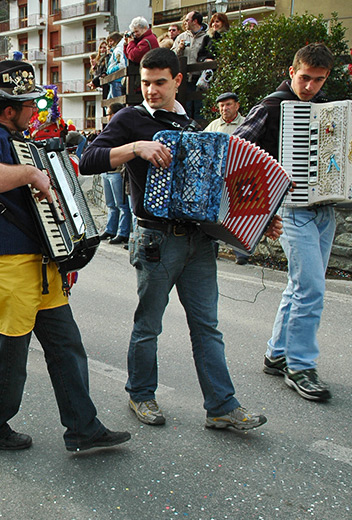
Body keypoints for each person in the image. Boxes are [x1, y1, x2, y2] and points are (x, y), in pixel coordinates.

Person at [80, 48, 278, 431]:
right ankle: (140, 394)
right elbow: (88, 159)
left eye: (159, 82)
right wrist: (136, 148)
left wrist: (260, 217)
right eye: (145, 82)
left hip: (199, 241)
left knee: (207, 326)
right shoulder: (130, 119)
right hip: (156, 239)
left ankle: (222, 406)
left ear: (177, 81)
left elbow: (217, 189)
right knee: (148, 325)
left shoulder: (194, 126)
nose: (151, 90)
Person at [0, 60, 131, 451]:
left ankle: (83, 427)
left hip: (39, 265)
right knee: (10, 357)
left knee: (66, 346)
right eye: (29, 106)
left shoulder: (18, 140)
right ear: (8, 110)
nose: (35, 112)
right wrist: (31, 174)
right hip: (6, 267)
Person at [233, 43, 336, 401]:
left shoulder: (329, 110)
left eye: (318, 80)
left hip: (326, 210)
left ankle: (277, 353)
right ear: (292, 72)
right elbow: (236, 151)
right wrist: (265, 201)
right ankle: (301, 366)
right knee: (311, 288)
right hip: (291, 210)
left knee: (299, 286)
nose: (309, 86)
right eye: (304, 77)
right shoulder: (272, 107)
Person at [204, 92, 248, 264]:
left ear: (237, 105)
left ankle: (241, 252)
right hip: (218, 177)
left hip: (240, 176)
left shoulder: (246, 124)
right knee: (216, 212)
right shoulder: (213, 126)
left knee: (238, 213)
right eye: (222, 106)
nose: (224, 108)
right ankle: (212, 250)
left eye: (228, 104)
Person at [98, 102, 132, 245]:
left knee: (122, 205)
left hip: (117, 171)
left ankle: (123, 232)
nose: (107, 116)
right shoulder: (109, 129)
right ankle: (110, 229)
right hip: (107, 171)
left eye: (109, 113)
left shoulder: (123, 130)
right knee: (111, 204)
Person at [172, 11, 213, 117]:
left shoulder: (206, 37)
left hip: (200, 78)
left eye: (187, 20)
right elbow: (172, 55)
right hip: (185, 79)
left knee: (200, 109)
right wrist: (179, 48)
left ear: (195, 21)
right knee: (186, 109)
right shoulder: (181, 37)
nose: (185, 22)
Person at [105, 32, 127, 99]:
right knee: (110, 102)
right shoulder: (119, 48)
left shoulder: (118, 50)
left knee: (115, 102)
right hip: (116, 80)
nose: (110, 44)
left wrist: (109, 71)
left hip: (117, 80)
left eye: (111, 41)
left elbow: (122, 65)